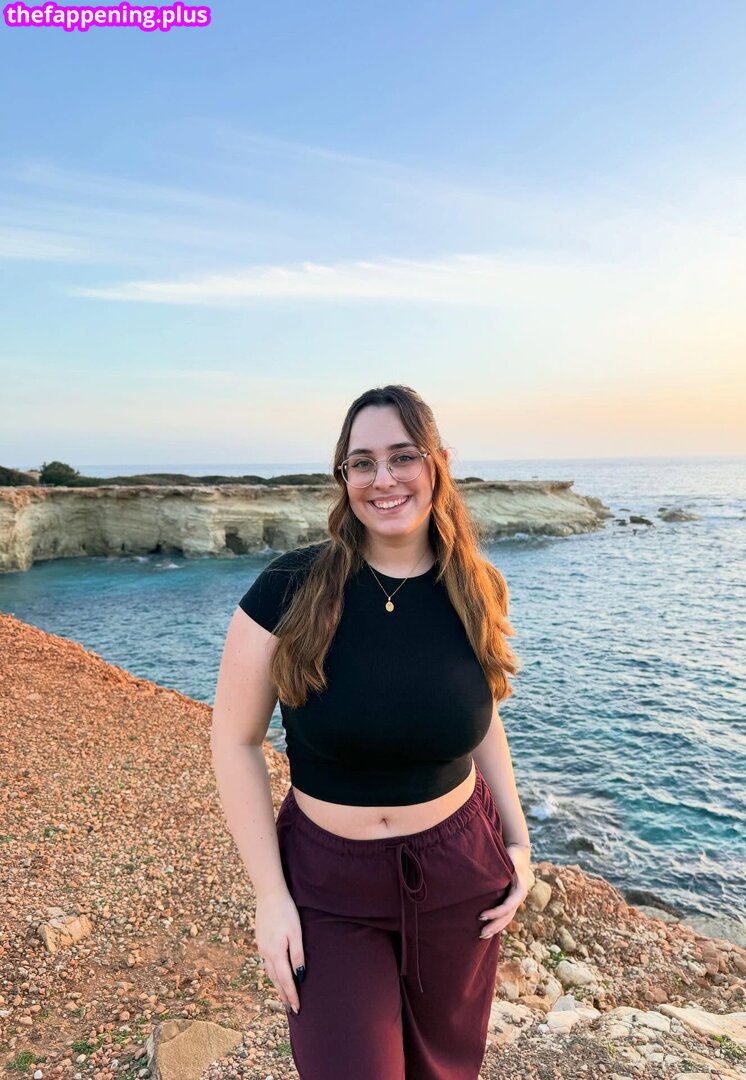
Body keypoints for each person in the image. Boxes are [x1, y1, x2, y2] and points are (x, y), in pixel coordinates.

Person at [211, 384, 533, 1080]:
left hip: (459, 874)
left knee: (445, 1070)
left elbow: (483, 720)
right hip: (328, 884)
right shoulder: (288, 587)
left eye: (403, 456)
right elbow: (234, 742)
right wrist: (270, 896)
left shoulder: (476, 586)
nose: (383, 479)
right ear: (344, 476)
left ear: (437, 463)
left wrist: (518, 840)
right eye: (362, 463)